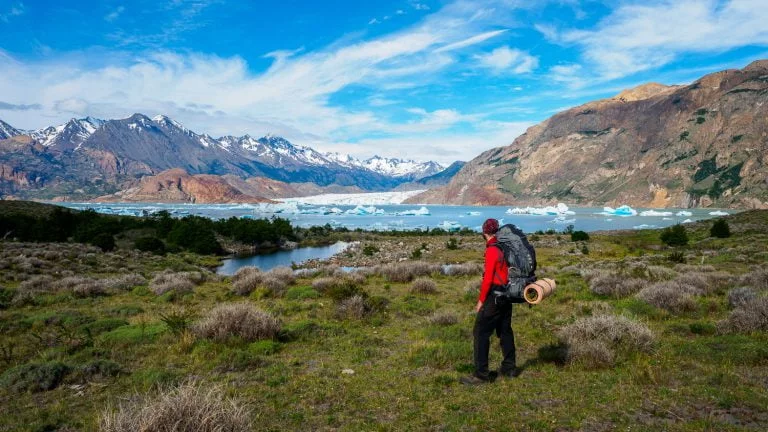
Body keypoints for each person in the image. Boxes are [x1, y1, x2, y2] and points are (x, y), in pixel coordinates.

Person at [460, 218, 519, 385]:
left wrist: (480, 301)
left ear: (484, 232)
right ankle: (510, 368)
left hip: (495, 296)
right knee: (505, 331)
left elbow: (487, 280)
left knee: (480, 332)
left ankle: (481, 375)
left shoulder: (492, 250)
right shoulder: (504, 246)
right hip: (507, 294)